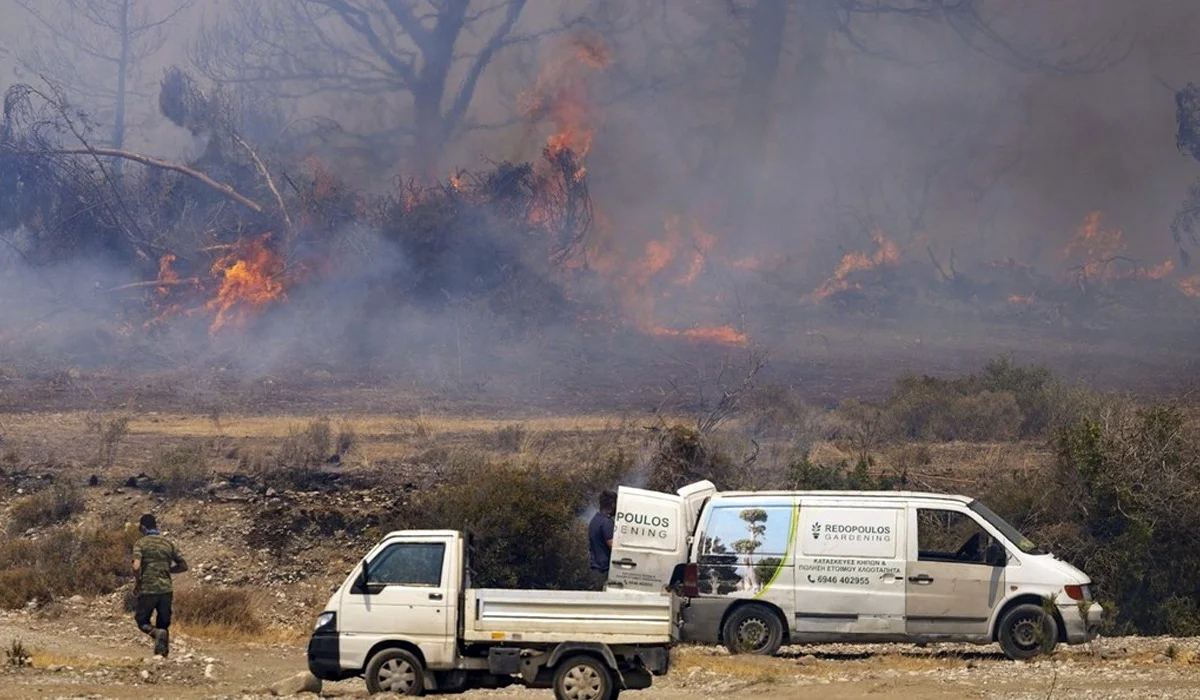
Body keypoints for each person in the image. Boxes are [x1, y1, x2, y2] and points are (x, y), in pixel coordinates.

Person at [132, 514, 188, 657]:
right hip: (166, 590)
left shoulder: (141, 543)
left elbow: (136, 566)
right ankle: (162, 656)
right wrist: (166, 569)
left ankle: (155, 633)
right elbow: (183, 566)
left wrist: (138, 582)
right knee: (163, 623)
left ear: (143, 527)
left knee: (142, 621)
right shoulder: (167, 543)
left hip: (149, 588)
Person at [587, 491, 617, 591]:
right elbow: (613, 545)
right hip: (603, 571)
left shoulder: (595, 520)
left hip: (595, 569)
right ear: (612, 504)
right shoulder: (606, 523)